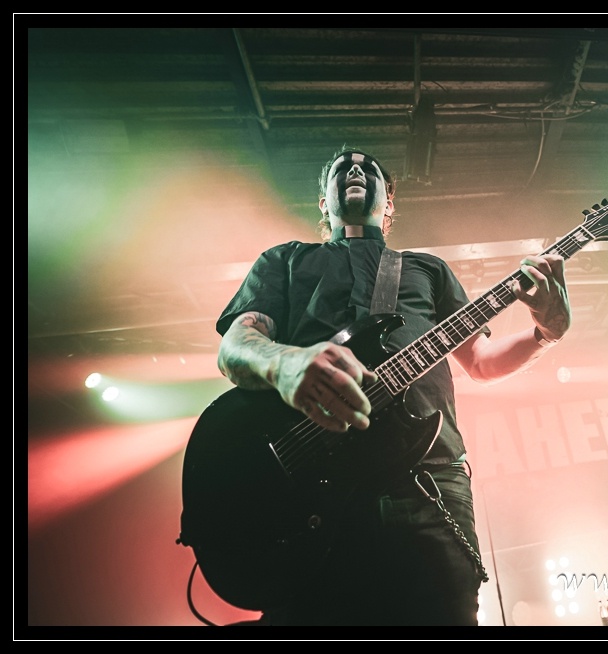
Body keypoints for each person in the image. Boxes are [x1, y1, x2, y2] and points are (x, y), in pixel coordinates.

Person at [213, 146, 571, 626]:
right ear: (322, 202)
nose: (355, 169)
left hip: (426, 481)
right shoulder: (285, 260)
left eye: (369, 168)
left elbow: (481, 363)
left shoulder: (427, 269)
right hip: (308, 494)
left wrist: (546, 332)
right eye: (342, 167)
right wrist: (285, 363)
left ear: (390, 201)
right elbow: (235, 347)